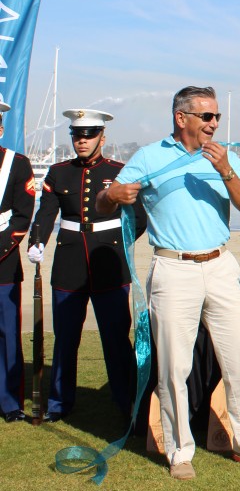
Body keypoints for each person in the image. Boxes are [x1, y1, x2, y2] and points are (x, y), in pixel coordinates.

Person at [98, 86, 240, 480]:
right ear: (182, 119)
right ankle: (181, 453)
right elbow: (104, 203)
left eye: (217, 117)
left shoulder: (225, 157)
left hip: (220, 265)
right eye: (207, 116)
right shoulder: (150, 156)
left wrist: (225, 170)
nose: (214, 123)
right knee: (173, 368)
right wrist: (112, 194)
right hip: (173, 269)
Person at [27, 109, 147, 423]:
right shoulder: (58, 172)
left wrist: (124, 242)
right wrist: (36, 240)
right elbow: (46, 212)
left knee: (116, 338)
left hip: (109, 260)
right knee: (65, 338)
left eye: (89, 135)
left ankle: (126, 402)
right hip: (69, 262)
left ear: (102, 138)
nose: (82, 141)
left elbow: (140, 217)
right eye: (77, 135)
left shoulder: (120, 171)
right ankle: (59, 404)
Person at [0, 102, 36, 423]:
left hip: (3, 266)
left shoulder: (17, 164)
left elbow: (23, 216)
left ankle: (10, 403)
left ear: (0, 129)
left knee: (7, 335)